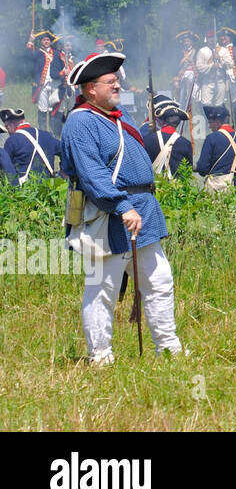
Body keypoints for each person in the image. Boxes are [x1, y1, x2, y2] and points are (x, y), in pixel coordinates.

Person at [61, 51, 184, 363]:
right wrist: (122, 206)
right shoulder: (80, 122)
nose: (117, 86)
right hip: (110, 213)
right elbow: (92, 174)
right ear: (90, 89)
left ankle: (168, 351)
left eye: (117, 81)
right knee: (103, 288)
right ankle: (100, 357)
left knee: (158, 280)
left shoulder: (119, 116)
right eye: (110, 82)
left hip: (141, 208)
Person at [194, 105, 236, 191]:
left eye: (210, 123)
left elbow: (203, 168)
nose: (210, 127)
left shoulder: (211, 138)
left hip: (218, 191)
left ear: (217, 122)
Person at [1, 106, 59, 184]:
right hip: (48, 188)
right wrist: (62, 171)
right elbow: (65, 150)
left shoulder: (12, 141)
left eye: (7, 127)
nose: (8, 131)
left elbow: (6, 169)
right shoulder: (47, 136)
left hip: (25, 191)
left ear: (13, 123)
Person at [140, 101, 194, 179]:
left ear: (162, 121)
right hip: (177, 189)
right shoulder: (185, 143)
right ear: (178, 123)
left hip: (155, 186)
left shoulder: (148, 139)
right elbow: (188, 171)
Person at [27, 30, 63, 130]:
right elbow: (29, 55)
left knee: (53, 109)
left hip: (55, 84)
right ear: (41, 42)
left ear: (50, 42)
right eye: (44, 40)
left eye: (47, 40)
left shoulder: (56, 53)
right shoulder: (38, 52)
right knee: (43, 108)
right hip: (42, 84)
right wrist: (30, 40)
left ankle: (53, 132)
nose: (46, 41)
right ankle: (42, 131)